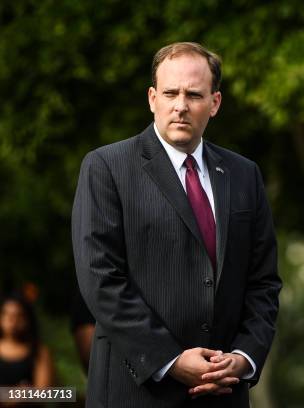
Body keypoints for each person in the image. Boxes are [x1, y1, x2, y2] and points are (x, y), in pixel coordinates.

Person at [72, 42, 281, 408]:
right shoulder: (107, 167)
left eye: (194, 94)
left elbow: (263, 282)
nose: (180, 105)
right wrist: (169, 359)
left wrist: (244, 357)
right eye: (170, 93)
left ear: (214, 103)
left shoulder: (244, 175)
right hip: (134, 392)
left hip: (223, 392)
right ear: (152, 97)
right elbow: (100, 277)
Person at [0, 294, 54, 387]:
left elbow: (44, 391)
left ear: (28, 319)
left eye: (19, 316)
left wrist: (26, 394)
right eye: (7, 314)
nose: (12, 320)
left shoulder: (38, 352)